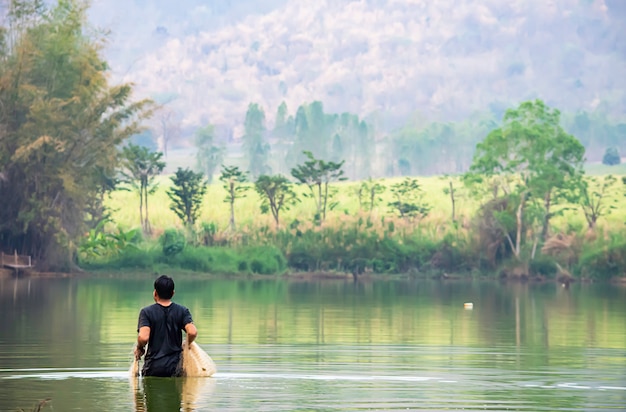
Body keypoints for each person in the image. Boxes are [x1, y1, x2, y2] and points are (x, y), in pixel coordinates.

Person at [134, 275, 197, 377]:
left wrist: (139, 347)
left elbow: (143, 337)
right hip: (176, 368)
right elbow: (192, 332)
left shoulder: (146, 312)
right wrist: (188, 343)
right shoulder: (182, 311)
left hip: (153, 368)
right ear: (173, 293)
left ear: (155, 293)